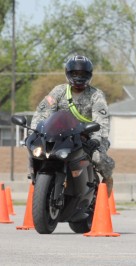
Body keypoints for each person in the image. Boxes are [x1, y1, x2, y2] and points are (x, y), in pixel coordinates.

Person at [30, 55, 115, 196]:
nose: (79, 77)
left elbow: (102, 122)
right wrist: (34, 133)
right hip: (62, 136)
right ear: (68, 74)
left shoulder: (96, 95)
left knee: (98, 158)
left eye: (83, 74)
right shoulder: (58, 91)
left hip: (88, 137)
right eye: (75, 73)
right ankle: (37, 179)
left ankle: (107, 180)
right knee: (36, 152)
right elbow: (42, 112)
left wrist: (96, 140)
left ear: (89, 75)